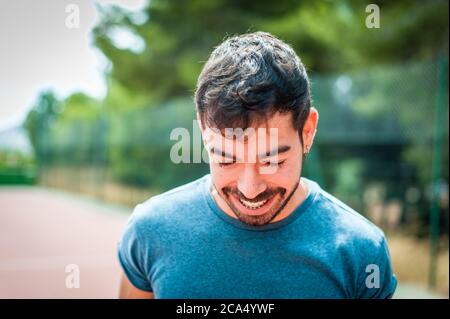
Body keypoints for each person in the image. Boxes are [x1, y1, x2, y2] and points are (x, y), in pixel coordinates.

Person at [118, 31, 397, 299]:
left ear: (308, 131)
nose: (250, 189)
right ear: (203, 131)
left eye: (272, 160)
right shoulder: (150, 231)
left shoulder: (361, 252)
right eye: (226, 159)